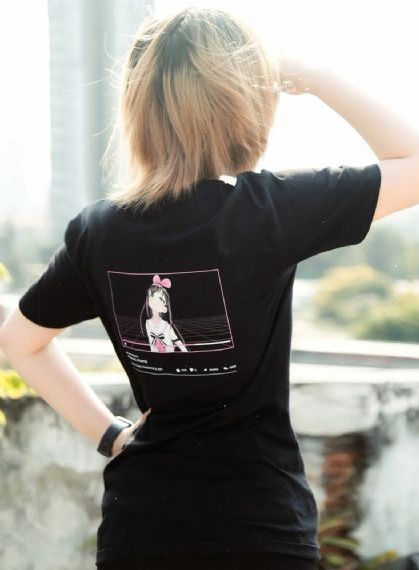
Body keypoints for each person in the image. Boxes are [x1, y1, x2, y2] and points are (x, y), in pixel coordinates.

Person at [1, 5, 418, 570]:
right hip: (261, 529)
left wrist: (111, 436)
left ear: (138, 108)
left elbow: (21, 341)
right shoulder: (270, 211)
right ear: (245, 105)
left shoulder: (98, 231)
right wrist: (313, 77)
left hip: (139, 531)